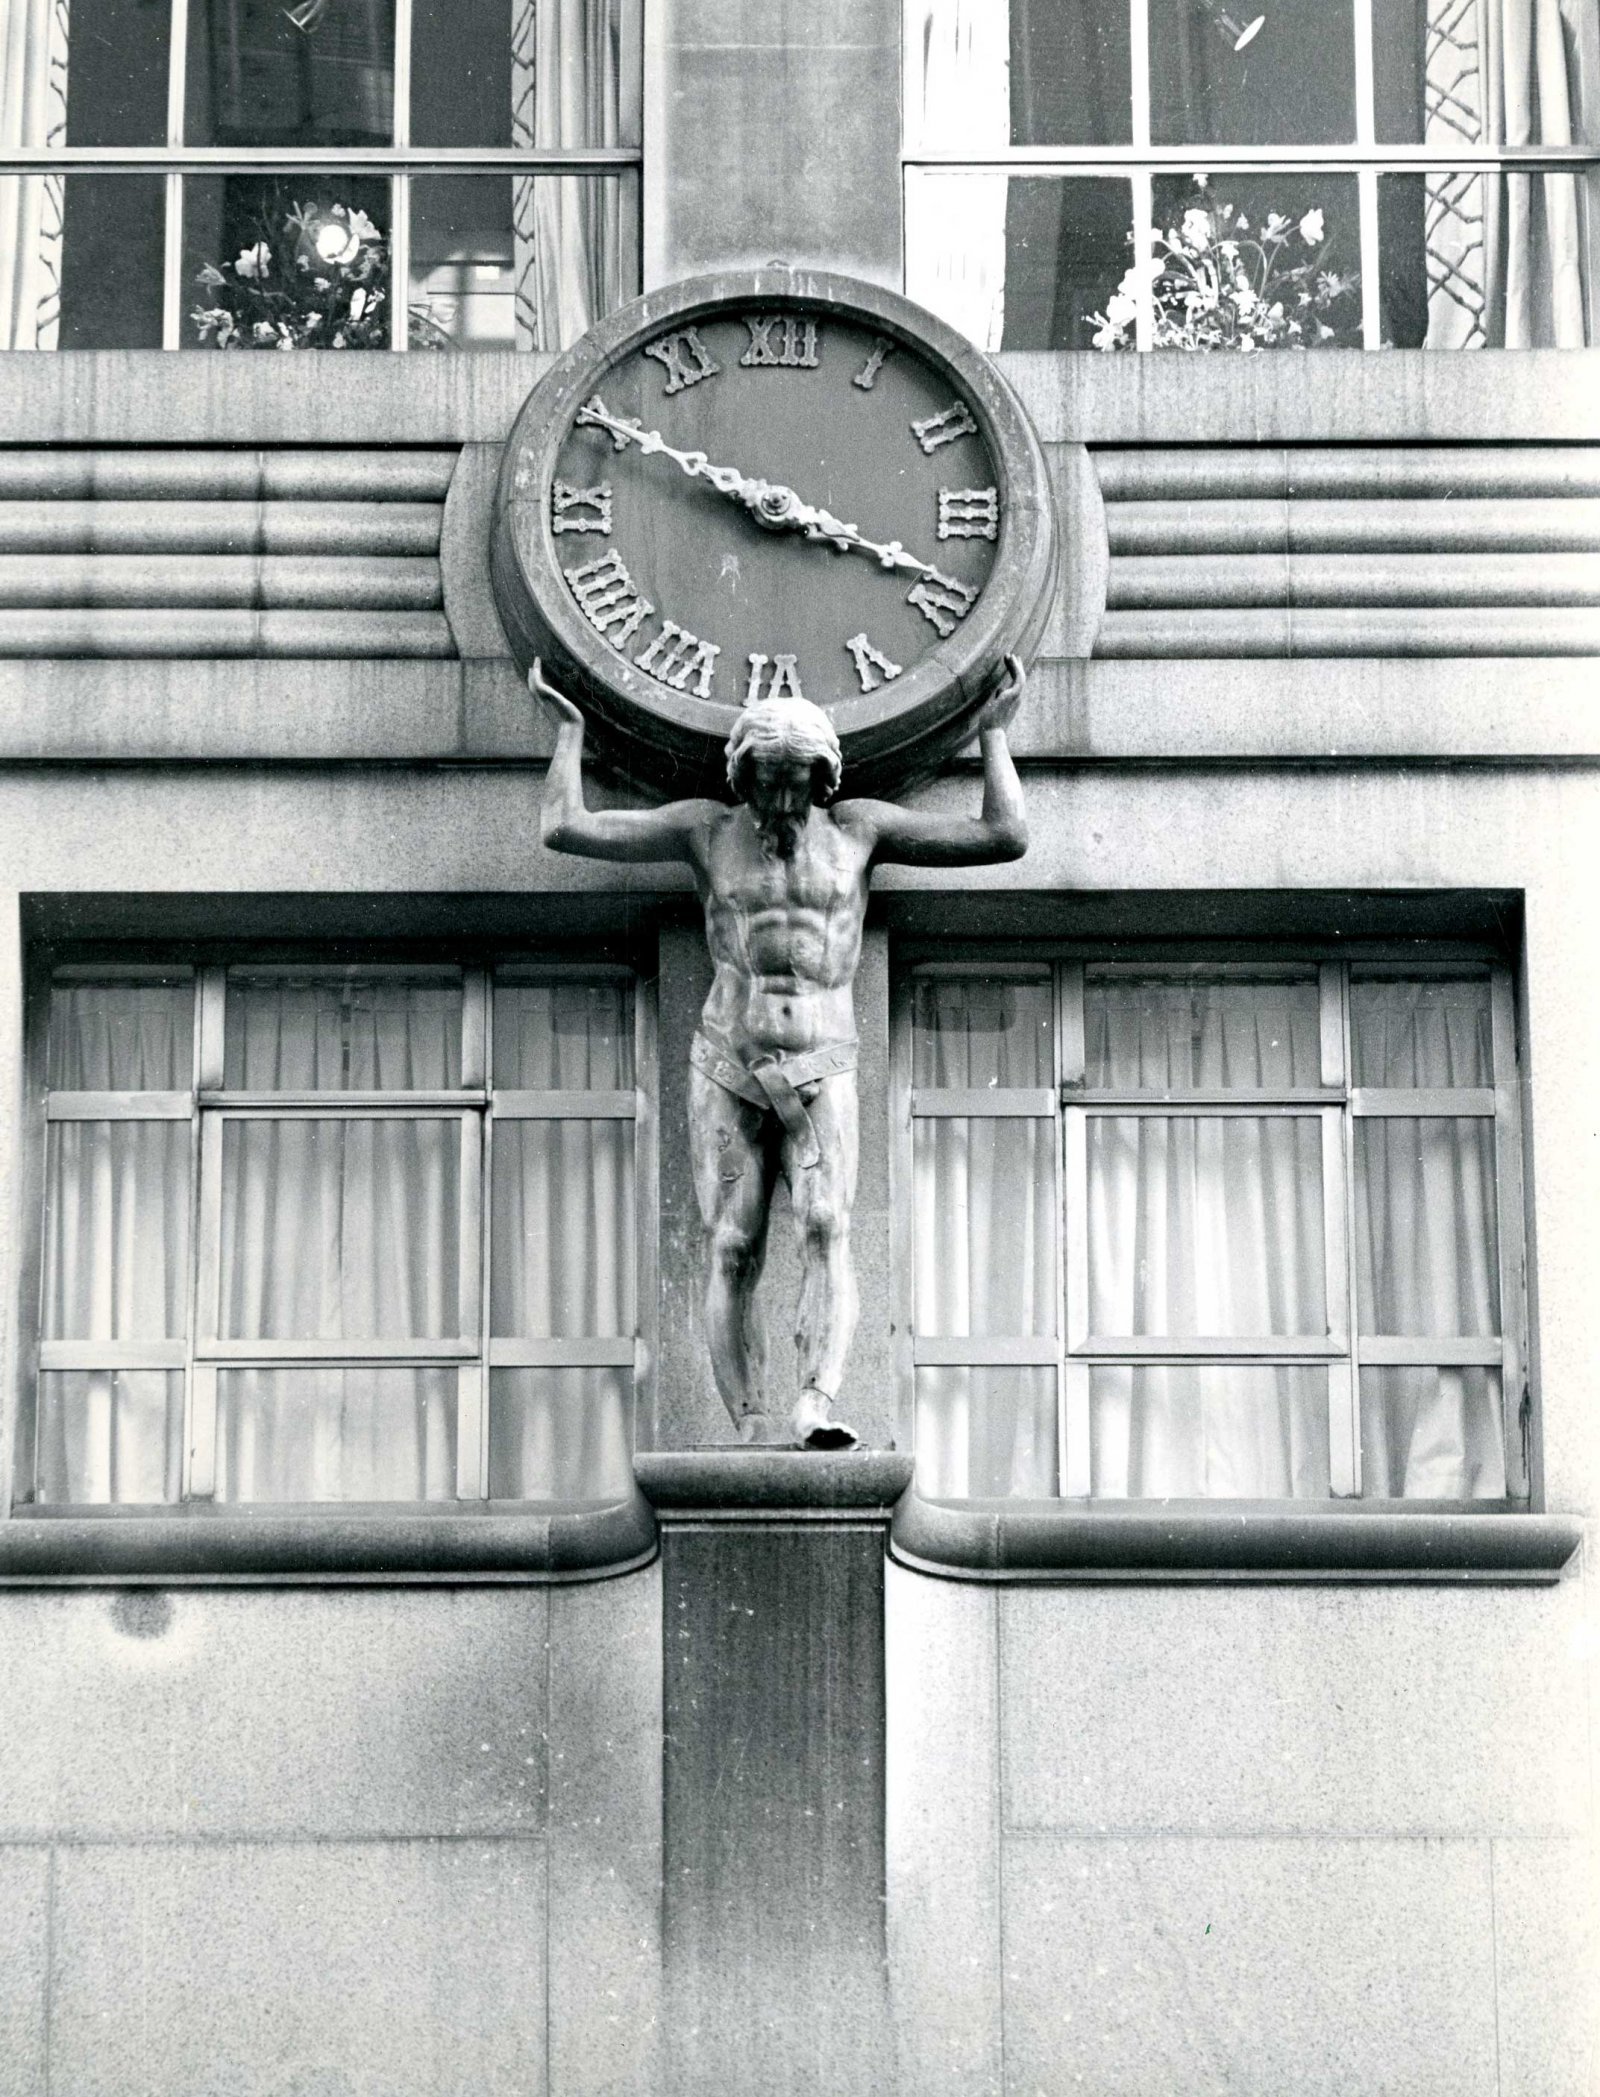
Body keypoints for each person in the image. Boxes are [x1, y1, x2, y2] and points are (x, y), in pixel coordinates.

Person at [533, 655, 1029, 1448]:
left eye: (797, 779)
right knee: (732, 1243)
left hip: (823, 1057)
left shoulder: (859, 830)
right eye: (767, 778)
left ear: (822, 776)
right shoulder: (708, 831)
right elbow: (568, 826)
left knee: (829, 1225)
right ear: (744, 772)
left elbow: (1003, 835)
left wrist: (993, 737)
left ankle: (815, 1403)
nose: (782, 797)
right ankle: (752, 1420)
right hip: (727, 1058)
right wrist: (568, 734)